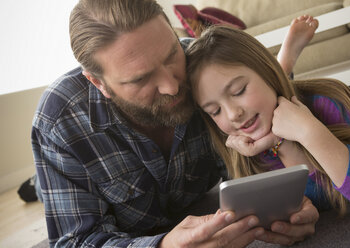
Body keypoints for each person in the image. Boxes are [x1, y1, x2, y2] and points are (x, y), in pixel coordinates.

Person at [31, 0, 320, 247]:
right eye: (140, 79)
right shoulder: (60, 121)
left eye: (171, 56)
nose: (172, 86)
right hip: (71, 174)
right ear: (99, 83)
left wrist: (288, 202)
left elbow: (263, 110)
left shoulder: (201, 66)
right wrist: (163, 245)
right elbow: (75, 241)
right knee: (40, 189)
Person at [186, 25, 350, 218]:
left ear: (267, 71)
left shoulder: (331, 102)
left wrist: (309, 132)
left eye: (238, 91)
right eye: (215, 111)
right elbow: (323, 200)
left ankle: (283, 65)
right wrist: (281, 143)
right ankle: (283, 67)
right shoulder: (243, 147)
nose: (233, 114)